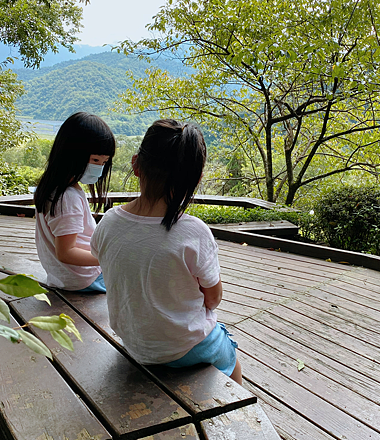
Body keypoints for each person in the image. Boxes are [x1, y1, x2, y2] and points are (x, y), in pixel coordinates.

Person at [91, 119, 242, 384]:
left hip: (135, 343)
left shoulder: (108, 222)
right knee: (232, 357)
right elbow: (213, 299)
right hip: (185, 348)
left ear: (136, 165)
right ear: (196, 178)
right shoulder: (194, 232)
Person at [34, 112, 115, 292]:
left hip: (65, 277)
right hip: (84, 278)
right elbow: (66, 252)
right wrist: (108, 258)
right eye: (95, 159)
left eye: (104, 162)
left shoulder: (53, 187)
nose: (99, 168)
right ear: (71, 153)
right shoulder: (67, 197)